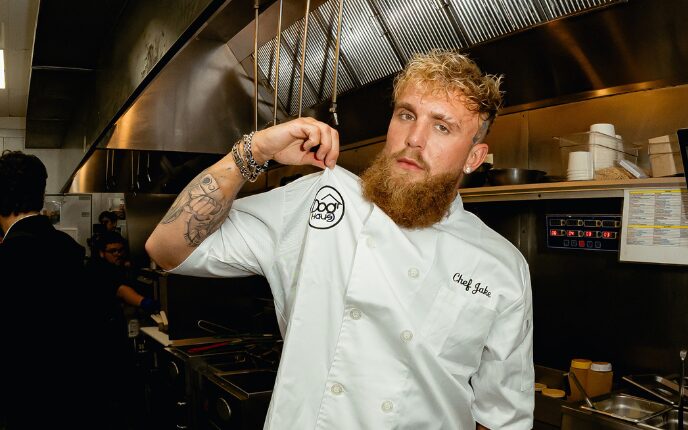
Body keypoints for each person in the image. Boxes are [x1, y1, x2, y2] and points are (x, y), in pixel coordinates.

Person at [146, 49, 534, 429]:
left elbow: (500, 417)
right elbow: (166, 248)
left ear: (474, 157)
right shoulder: (321, 198)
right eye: (406, 115)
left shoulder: (501, 266)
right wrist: (253, 151)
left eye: (442, 126)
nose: (414, 138)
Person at [0, 151, 106, 428]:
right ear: (41, 194)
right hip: (78, 400)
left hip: (27, 405)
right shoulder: (68, 249)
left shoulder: (9, 255)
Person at [86, 230, 158, 427]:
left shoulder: (103, 266)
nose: (118, 254)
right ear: (101, 253)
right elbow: (123, 291)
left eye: (121, 251)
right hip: (102, 335)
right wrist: (147, 304)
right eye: (113, 251)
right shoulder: (101, 270)